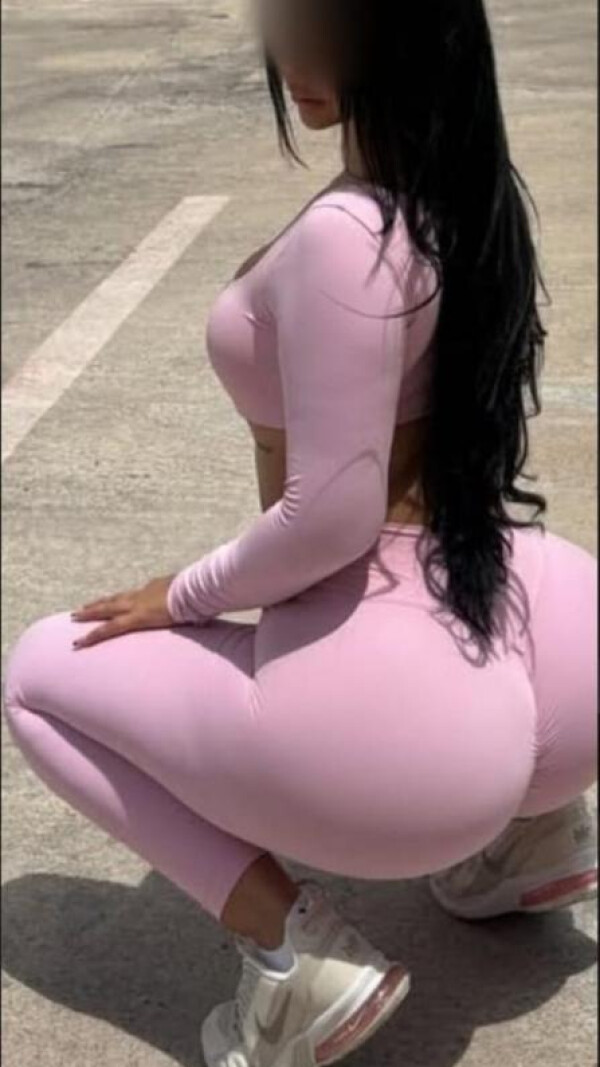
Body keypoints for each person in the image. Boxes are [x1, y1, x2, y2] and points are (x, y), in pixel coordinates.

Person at [2, 0, 598, 1064]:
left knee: (40, 673)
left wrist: (181, 592)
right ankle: (536, 835)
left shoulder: (347, 235)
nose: (292, 53)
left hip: (403, 713)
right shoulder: (465, 195)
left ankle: (294, 954)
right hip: (543, 642)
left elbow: (330, 517)